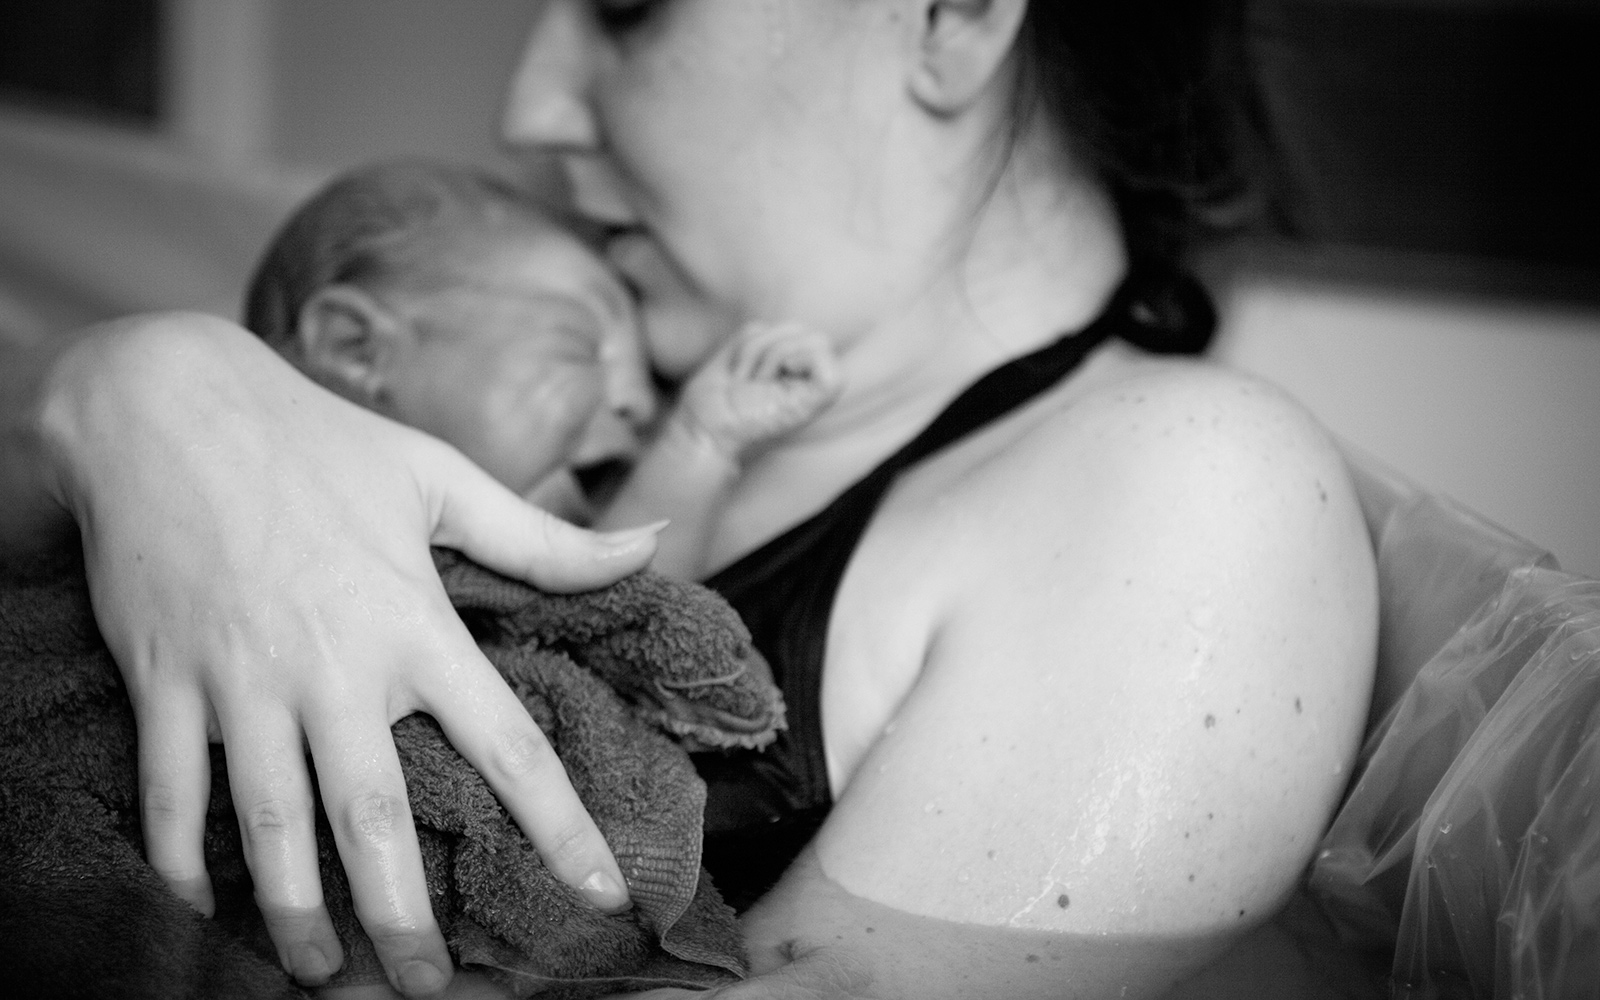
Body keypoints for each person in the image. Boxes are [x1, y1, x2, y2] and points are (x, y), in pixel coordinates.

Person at [0, 1, 1380, 998]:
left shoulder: (1184, 488)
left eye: (625, 9)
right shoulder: (620, 386)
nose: (529, 105)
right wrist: (132, 389)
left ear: (954, 18)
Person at [242, 159, 842, 579]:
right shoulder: (247, 536)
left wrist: (700, 444)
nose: (640, 406)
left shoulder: (527, 591)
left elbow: (624, 611)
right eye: (582, 344)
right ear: (355, 351)